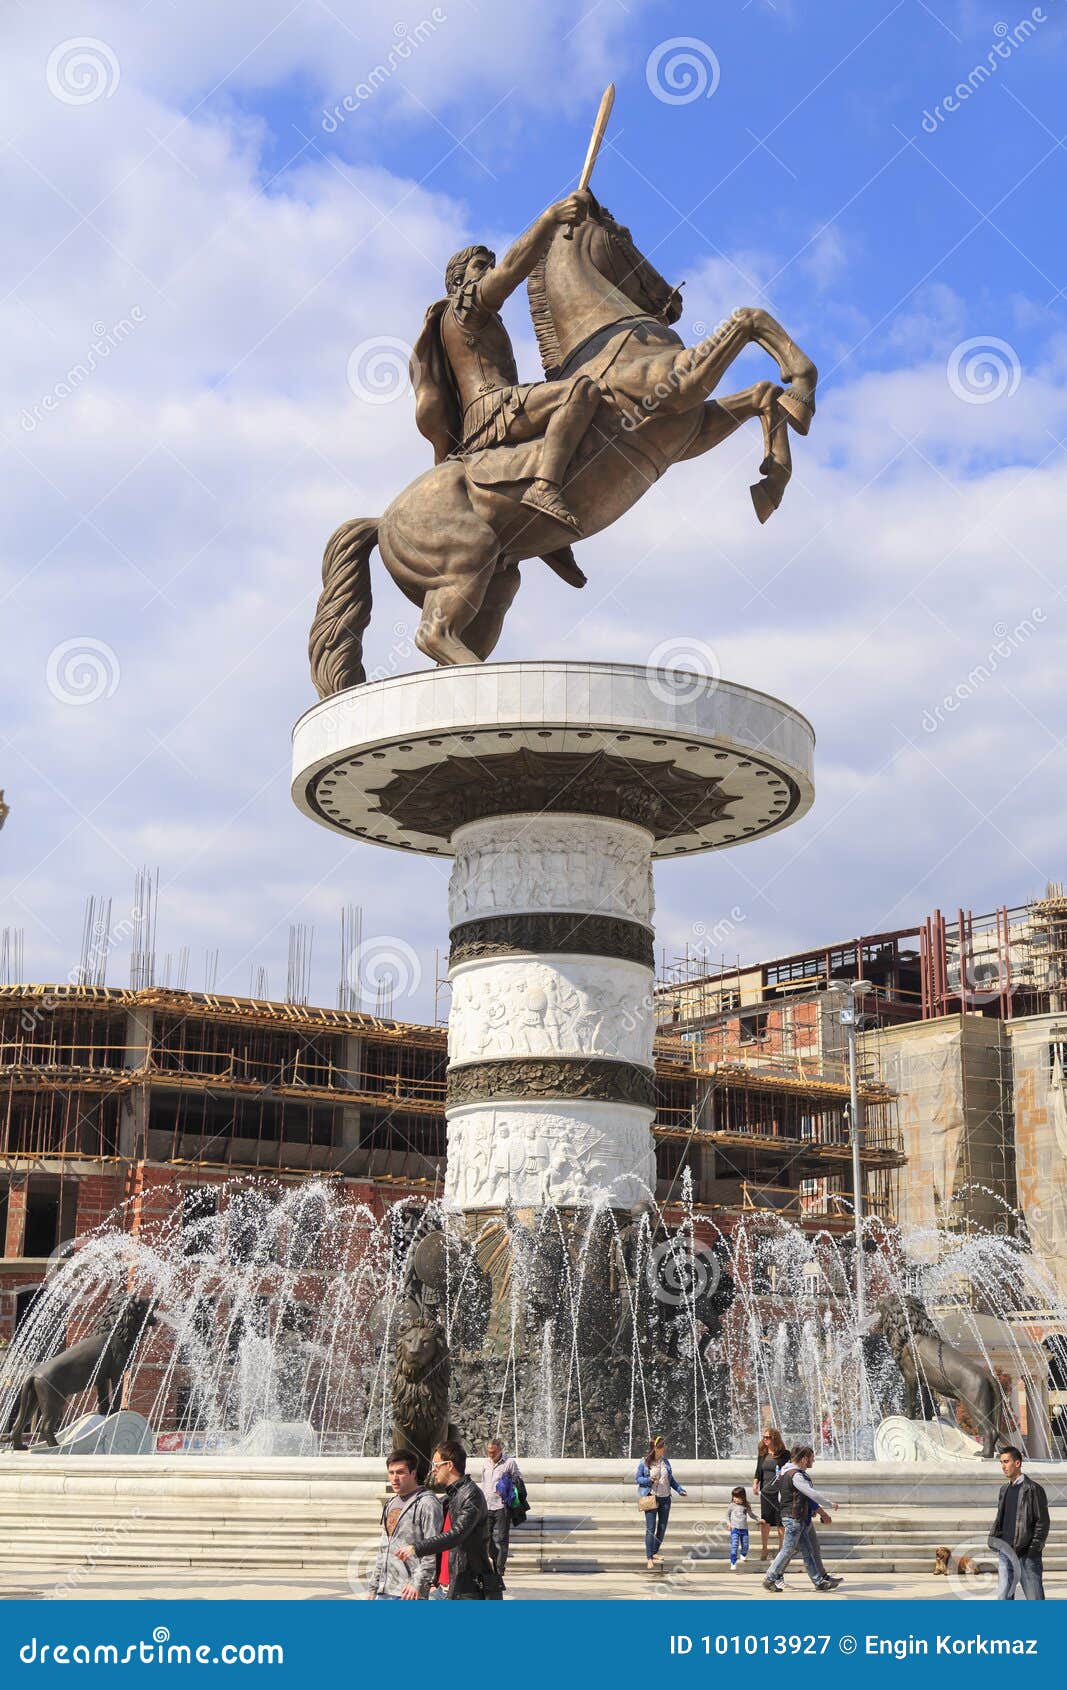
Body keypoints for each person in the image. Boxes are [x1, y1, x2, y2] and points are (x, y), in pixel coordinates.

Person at [411, 194, 602, 544]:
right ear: (457, 281)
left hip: (498, 408)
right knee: (580, 391)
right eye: (480, 266)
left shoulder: (475, 319)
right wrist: (550, 219)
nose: (487, 272)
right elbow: (512, 270)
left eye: (488, 265)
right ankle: (544, 488)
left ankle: (533, 522)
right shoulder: (463, 308)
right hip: (493, 410)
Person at [396, 1439, 503, 1600]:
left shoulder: (471, 1495)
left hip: (468, 1589)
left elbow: (456, 1534)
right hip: (446, 1588)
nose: (433, 1470)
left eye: (436, 1465)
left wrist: (416, 1548)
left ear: (450, 1465)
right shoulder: (448, 1499)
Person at [761, 1445, 843, 1593]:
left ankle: (819, 1582)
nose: (813, 1461)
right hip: (794, 1519)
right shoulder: (796, 1475)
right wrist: (829, 1504)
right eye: (812, 1458)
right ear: (804, 1459)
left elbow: (781, 1497)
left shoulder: (787, 1473)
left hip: (795, 1518)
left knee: (808, 1550)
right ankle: (770, 1578)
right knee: (787, 1550)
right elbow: (811, 1493)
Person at [369, 1449, 442, 1600]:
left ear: (413, 1473)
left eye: (400, 1472)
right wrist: (374, 1587)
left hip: (410, 1592)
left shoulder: (427, 1503)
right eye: (391, 1472)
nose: (394, 1478)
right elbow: (384, 1548)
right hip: (385, 1589)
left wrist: (418, 1584)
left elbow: (433, 1547)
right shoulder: (390, 1503)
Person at [989, 1444, 1049, 1600]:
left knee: (1034, 1598)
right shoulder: (1004, 1489)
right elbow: (1000, 1518)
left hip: (1026, 1555)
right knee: (1003, 1598)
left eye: (1006, 1461)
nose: (1003, 1466)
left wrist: (1033, 1550)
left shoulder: (1033, 1489)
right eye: (1001, 1462)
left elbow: (1042, 1522)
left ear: (1017, 1463)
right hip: (1005, 1553)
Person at [636, 1435, 687, 1571]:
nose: (664, 1448)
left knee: (662, 1528)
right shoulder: (645, 1462)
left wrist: (679, 1489)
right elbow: (638, 1479)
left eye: (663, 1446)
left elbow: (671, 1479)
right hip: (651, 1497)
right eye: (661, 1446)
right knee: (651, 1528)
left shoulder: (666, 1462)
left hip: (665, 1498)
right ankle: (649, 1557)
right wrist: (649, 1481)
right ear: (655, 1448)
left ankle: (654, 1552)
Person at [480, 1437, 526, 1578]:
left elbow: (519, 1479)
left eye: (493, 1452)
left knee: (502, 1538)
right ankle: (496, 1559)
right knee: (485, 1538)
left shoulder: (509, 1463)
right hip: (487, 1505)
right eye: (489, 1452)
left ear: (500, 1450)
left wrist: (508, 1486)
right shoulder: (485, 1463)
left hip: (502, 1506)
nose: (491, 1454)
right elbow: (483, 1482)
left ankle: (500, 1569)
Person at [753, 1425, 789, 1561]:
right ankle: (764, 1547)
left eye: (768, 1437)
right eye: (764, 1437)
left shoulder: (785, 1454)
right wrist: (755, 1483)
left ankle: (782, 1548)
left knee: (781, 1521)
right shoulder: (763, 1453)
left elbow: (790, 1470)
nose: (765, 1439)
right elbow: (758, 1470)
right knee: (765, 1520)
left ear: (775, 1438)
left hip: (780, 1492)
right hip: (766, 1492)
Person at [727, 1486, 758, 1571]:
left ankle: (743, 1554)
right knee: (734, 1545)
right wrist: (729, 1523)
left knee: (745, 1545)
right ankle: (733, 1562)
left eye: (737, 1497)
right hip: (735, 1529)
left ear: (743, 1497)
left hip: (744, 1529)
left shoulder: (746, 1506)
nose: (735, 1499)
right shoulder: (731, 1506)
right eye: (734, 1497)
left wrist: (758, 1519)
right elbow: (727, 1516)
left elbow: (751, 1515)